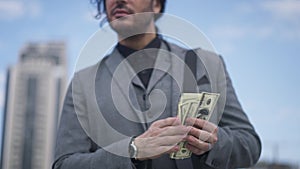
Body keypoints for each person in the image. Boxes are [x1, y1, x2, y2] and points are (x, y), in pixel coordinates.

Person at [52, 0, 261, 169]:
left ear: (157, 4)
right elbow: (64, 163)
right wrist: (133, 149)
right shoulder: (83, 82)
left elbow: (249, 144)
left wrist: (214, 143)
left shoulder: (205, 64)